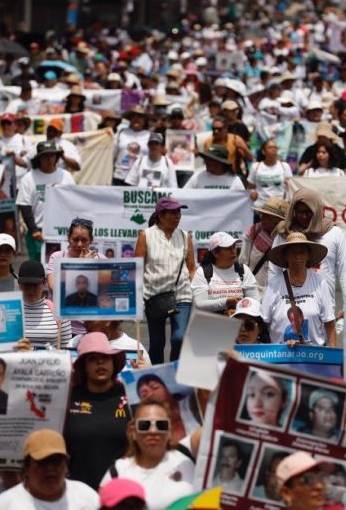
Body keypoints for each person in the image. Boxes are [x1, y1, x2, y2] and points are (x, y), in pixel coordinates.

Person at [100, 399, 201, 510]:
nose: (153, 431)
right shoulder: (118, 471)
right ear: (133, 433)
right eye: (144, 425)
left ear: (169, 432)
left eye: (161, 424)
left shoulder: (188, 451)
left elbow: (216, 425)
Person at [64, 332, 131, 491]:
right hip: (78, 495)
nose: (100, 362)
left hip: (121, 495)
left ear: (113, 362)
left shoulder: (130, 395)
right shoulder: (67, 398)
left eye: (105, 357)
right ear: (84, 367)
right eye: (92, 358)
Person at [135, 197, 195, 364]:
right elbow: (137, 269)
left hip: (181, 294)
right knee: (157, 342)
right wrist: (137, 297)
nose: (177, 216)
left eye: (179, 212)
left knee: (179, 338)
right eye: (173, 213)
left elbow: (191, 268)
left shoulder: (185, 237)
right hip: (153, 296)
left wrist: (197, 291)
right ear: (161, 215)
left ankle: (174, 371)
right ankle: (158, 375)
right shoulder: (145, 236)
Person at [271, 188, 346, 301]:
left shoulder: (334, 233)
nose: (304, 216)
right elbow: (274, 271)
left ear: (317, 210)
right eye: (300, 212)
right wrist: (273, 300)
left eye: (308, 212)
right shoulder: (284, 233)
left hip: (325, 305)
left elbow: (345, 271)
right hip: (289, 304)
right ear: (293, 211)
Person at [0, 429, 99, 510]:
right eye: (42, 462)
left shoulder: (87, 497)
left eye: (56, 461)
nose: (50, 468)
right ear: (26, 467)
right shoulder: (4, 505)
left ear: (65, 466)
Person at [262, 232, 336, 346]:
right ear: (285, 256)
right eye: (293, 253)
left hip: (313, 356)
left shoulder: (320, 282)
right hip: (280, 356)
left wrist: (335, 356)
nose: (298, 257)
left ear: (308, 255)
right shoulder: (274, 284)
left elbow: (329, 322)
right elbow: (264, 321)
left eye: (302, 252)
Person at [16, 139, 76, 263]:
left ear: (56, 157)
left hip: (62, 232)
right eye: (45, 156)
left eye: (52, 155)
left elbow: (74, 203)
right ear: (39, 158)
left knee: (62, 270)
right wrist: (33, 230)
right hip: (38, 233)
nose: (49, 159)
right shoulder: (28, 178)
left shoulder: (67, 176)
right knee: (38, 272)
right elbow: (24, 206)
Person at [191, 232, 259, 313]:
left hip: (238, 321)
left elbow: (254, 300)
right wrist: (226, 302)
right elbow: (200, 304)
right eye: (228, 248)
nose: (233, 251)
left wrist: (239, 310)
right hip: (211, 322)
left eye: (234, 247)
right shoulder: (202, 272)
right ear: (215, 252)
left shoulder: (243, 269)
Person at [17, 260, 72, 348]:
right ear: (19, 284)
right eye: (26, 284)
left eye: (35, 285)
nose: (31, 289)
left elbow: (67, 349)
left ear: (44, 283)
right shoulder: (11, 311)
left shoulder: (59, 312)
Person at [239, 197, 288, 293]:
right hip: (253, 289)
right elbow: (243, 262)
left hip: (276, 292)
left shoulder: (286, 240)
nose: (262, 218)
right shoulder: (255, 231)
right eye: (262, 214)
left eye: (267, 216)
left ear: (278, 220)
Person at [247, 139, 292, 206]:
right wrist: (253, 194)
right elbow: (250, 188)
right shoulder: (255, 167)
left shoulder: (285, 167)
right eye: (270, 147)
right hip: (259, 207)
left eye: (275, 147)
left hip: (278, 208)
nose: (273, 149)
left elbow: (290, 188)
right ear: (263, 151)